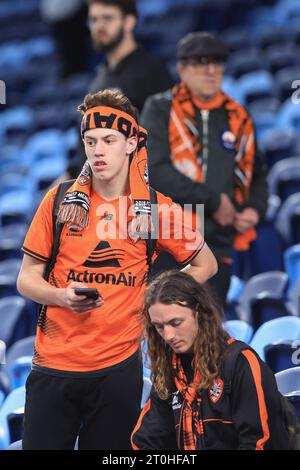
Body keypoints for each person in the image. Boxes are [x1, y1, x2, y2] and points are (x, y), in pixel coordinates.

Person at [17, 89, 217, 450]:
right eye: (90, 140)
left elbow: (206, 263)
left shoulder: (154, 209)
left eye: (109, 140)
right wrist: (60, 296)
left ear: (130, 143)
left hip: (116, 371)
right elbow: (26, 278)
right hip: (52, 367)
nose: (98, 150)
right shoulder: (59, 200)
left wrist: (157, 299)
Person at [140, 32, 268, 308]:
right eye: (201, 63)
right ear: (182, 69)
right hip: (169, 243)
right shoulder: (160, 108)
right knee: (167, 328)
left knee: (208, 336)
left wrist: (254, 209)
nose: (211, 70)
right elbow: (155, 171)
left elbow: (258, 175)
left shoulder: (238, 117)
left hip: (217, 245)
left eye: (217, 63)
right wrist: (214, 200)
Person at [131, 270, 292, 450]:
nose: (168, 336)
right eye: (159, 327)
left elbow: (258, 443)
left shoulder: (241, 362)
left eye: (176, 323)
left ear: (199, 313)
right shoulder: (170, 371)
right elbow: (145, 441)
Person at [66, 0, 174, 179]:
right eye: (93, 20)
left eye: (107, 18)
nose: (99, 26)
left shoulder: (151, 71)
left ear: (129, 21)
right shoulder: (100, 79)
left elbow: (170, 139)